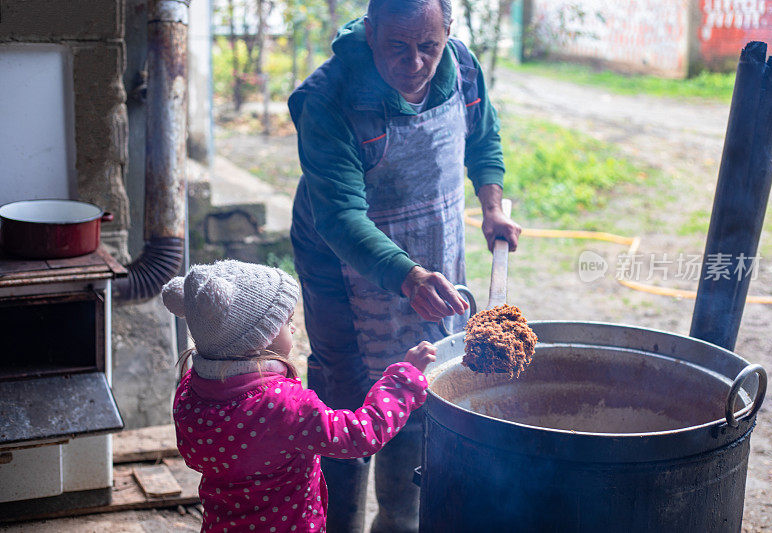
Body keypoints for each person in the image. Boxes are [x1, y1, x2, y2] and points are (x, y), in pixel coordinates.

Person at [289, 0, 521, 530]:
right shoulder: (327, 99)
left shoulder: (460, 65)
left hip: (430, 240)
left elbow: (483, 136)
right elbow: (341, 216)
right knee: (347, 389)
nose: (415, 61)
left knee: (426, 371)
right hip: (341, 262)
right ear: (370, 33)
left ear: (447, 34)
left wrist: (491, 206)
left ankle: (399, 519)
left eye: (428, 47)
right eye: (398, 45)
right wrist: (406, 276)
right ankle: (335, 519)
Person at [163, 260, 437, 533]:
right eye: (286, 322)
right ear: (258, 339)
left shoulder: (189, 392)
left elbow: (192, 456)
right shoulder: (282, 405)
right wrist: (403, 381)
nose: (293, 328)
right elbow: (359, 435)